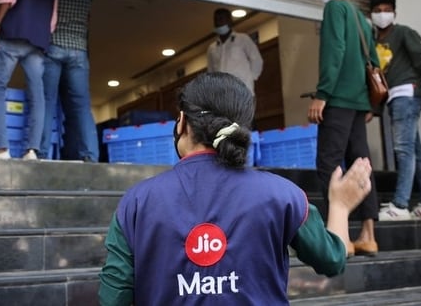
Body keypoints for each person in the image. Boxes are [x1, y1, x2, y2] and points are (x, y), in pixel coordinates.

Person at [99, 72, 373, 305]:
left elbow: (114, 297)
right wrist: (339, 206)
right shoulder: (283, 196)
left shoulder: (136, 202)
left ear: (182, 122)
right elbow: (332, 260)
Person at [307, 0, 380, 256]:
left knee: (329, 163)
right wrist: (368, 105)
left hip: (338, 98)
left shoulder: (335, 7)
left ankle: (341, 237)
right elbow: (374, 58)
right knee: (362, 164)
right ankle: (368, 235)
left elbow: (334, 49)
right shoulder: (360, 17)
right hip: (359, 102)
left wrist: (322, 93)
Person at [370, 0, 421, 221]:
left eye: (387, 10)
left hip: (408, 93)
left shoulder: (403, 33)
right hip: (395, 97)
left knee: (403, 149)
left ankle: (400, 205)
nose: (382, 14)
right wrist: (373, 109)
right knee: (416, 151)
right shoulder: (375, 42)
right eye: (377, 10)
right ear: (371, 14)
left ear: (394, 13)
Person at [0, 0, 56, 160]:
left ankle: (2, 150)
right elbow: (53, 21)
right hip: (38, 40)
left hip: (13, 32)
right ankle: (31, 151)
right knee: (37, 95)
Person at [39, 0, 99, 162]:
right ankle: (90, 154)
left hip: (54, 46)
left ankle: (41, 152)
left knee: (47, 102)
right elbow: (87, 18)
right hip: (79, 50)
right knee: (82, 107)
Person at [207, 8, 263, 95]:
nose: (218, 23)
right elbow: (211, 72)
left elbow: (257, 60)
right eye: (216, 20)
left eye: (221, 19)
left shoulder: (243, 39)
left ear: (230, 21)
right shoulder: (212, 48)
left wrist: (250, 78)